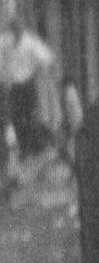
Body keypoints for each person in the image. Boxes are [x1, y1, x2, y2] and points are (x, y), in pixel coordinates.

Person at [1, 17, 60, 167]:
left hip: (28, 85)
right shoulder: (5, 42)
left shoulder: (29, 42)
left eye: (16, 31)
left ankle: (32, 148)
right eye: (12, 31)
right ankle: (23, 148)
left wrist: (47, 69)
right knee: (16, 117)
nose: (14, 35)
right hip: (13, 86)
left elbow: (46, 57)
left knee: (29, 116)